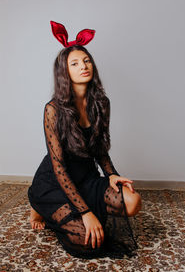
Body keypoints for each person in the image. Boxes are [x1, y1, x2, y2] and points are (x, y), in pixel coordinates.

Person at [28, 21, 142, 258]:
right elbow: (58, 168)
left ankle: (70, 211)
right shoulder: (53, 109)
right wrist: (86, 213)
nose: (83, 66)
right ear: (64, 71)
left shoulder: (102, 103)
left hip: (86, 178)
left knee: (133, 201)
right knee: (89, 243)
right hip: (55, 182)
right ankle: (39, 206)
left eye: (87, 61)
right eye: (75, 63)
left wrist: (111, 174)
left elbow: (99, 148)